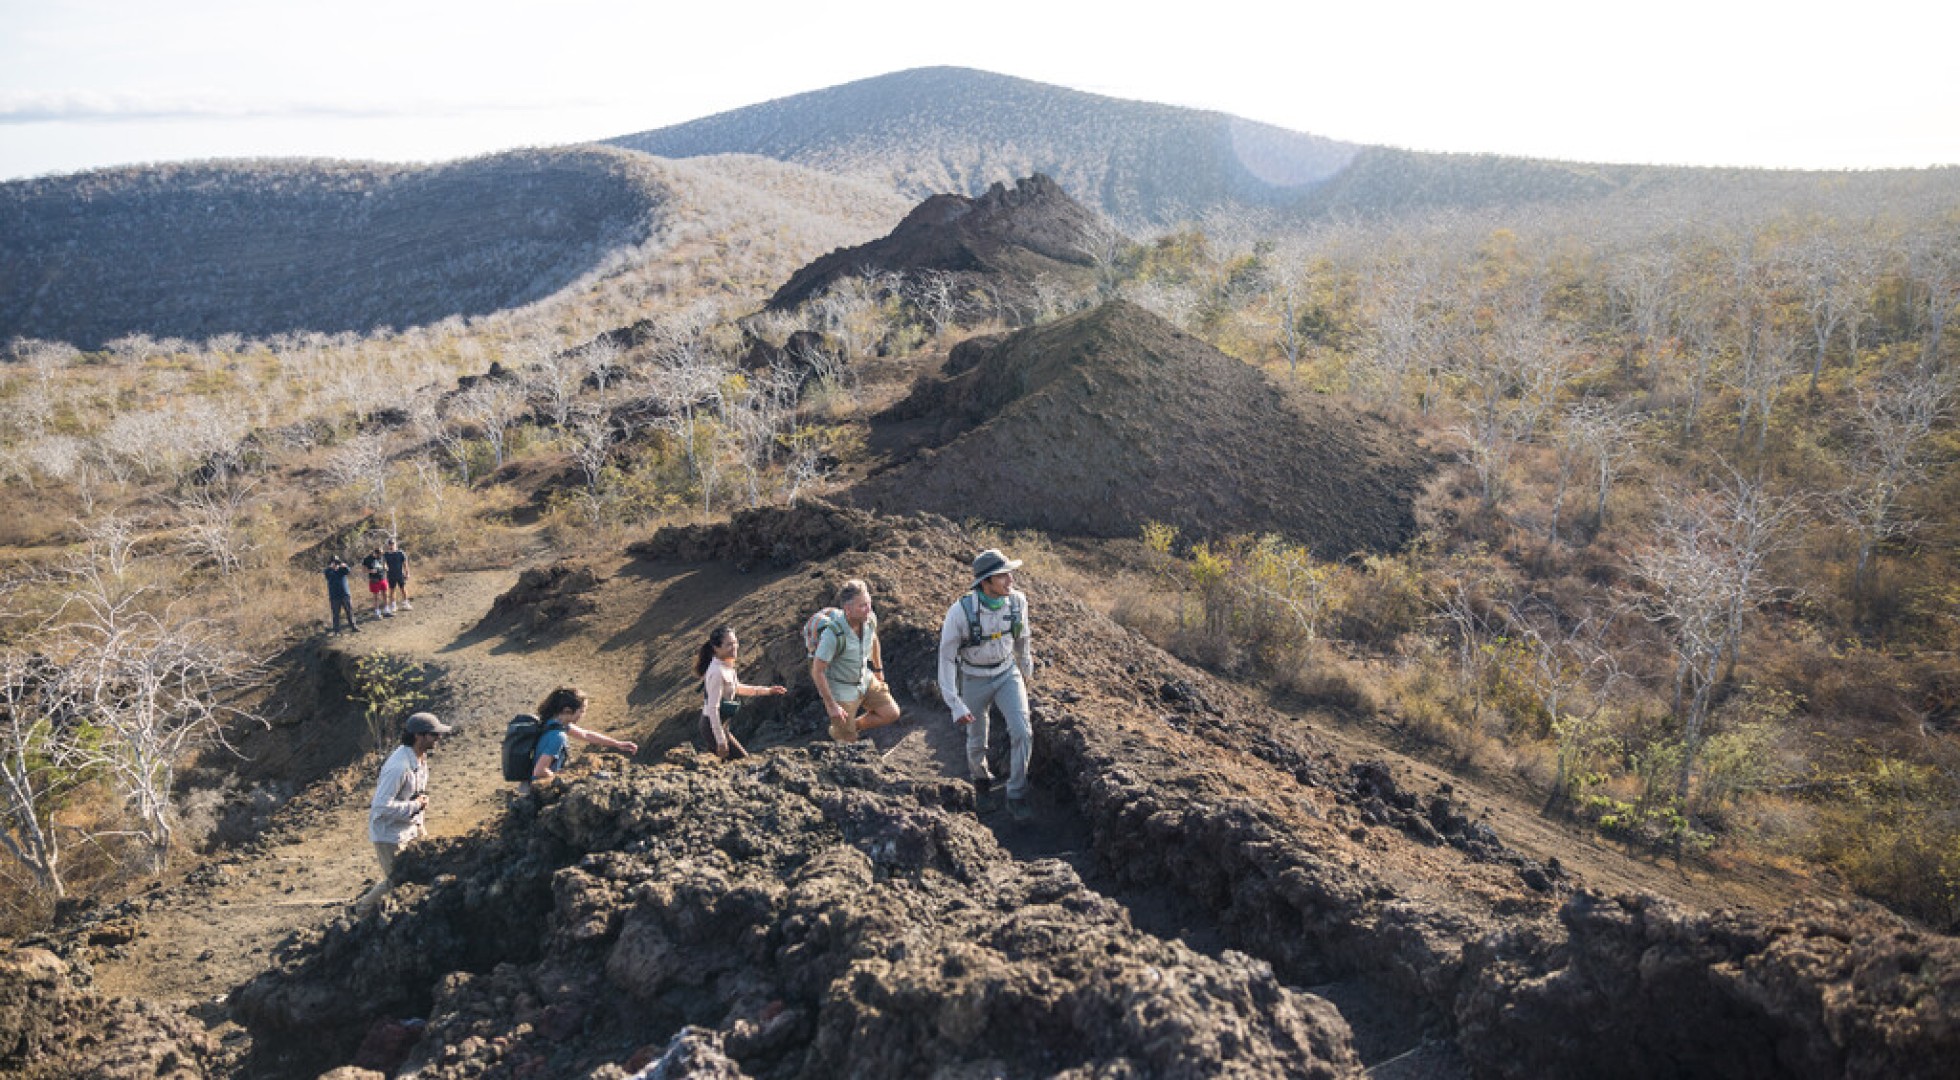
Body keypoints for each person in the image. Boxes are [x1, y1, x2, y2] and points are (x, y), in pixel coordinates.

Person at [937, 549, 1035, 821]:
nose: (1010, 580)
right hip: (972, 678)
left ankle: (1016, 795)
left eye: (1009, 573)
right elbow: (946, 658)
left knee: (1023, 731)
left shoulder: (1017, 602)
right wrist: (954, 703)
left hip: (1007, 673)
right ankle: (981, 784)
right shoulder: (960, 612)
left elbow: (1022, 637)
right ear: (985, 582)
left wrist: (1025, 665)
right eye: (1002, 576)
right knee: (977, 737)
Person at [358, 711, 450, 912]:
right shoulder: (399, 767)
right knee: (397, 880)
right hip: (389, 834)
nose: (439, 738)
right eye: (434, 734)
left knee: (418, 871)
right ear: (418, 736)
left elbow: (416, 795)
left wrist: (420, 826)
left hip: (409, 828)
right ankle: (362, 909)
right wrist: (415, 806)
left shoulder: (420, 759)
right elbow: (381, 806)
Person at [810, 579, 900, 742]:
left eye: (869, 603)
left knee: (891, 713)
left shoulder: (869, 619)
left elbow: (873, 639)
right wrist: (831, 706)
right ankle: (842, 732)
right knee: (849, 741)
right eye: (863, 606)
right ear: (848, 609)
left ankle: (851, 726)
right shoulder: (832, 635)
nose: (869, 609)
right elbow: (817, 671)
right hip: (841, 687)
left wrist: (878, 669)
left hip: (864, 679)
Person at [695, 626, 786, 760]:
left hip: (720, 725)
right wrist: (721, 741)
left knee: (732, 763)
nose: (735, 647)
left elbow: (737, 688)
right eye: (729, 644)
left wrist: (768, 691)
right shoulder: (717, 672)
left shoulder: (727, 665)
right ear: (716, 648)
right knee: (742, 760)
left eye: (735, 642)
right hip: (712, 726)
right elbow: (714, 708)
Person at [527, 686, 639, 789]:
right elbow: (540, 771)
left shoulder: (551, 722)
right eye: (582, 711)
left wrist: (617, 744)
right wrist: (563, 780)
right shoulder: (558, 736)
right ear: (567, 710)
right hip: (539, 788)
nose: (583, 715)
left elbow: (586, 735)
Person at [324, 555, 359, 633]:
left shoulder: (342, 569)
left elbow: (348, 571)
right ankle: (336, 630)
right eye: (334, 562)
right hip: (334, 596)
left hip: (345, 594)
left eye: (337, 562)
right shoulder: (328, 571)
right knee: (336, 614)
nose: (336, 564)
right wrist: (332, 568)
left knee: (349, 611)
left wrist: (344, 565)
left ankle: (353, 626)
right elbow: (329, 576)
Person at [383, 538, 411, 614]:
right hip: (391, 575)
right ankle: (394, 605)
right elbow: (384, 564)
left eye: (392, 544)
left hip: (400, 574)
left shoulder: (400, 553)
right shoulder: (386, 555)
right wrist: (385, 567)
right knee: (392, 590)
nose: (391, 546)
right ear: (388, 545)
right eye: (390, 544)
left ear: (395, 544)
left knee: (403, 589)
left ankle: (406, 603)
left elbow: (405, 564)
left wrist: (407, 573)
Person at [362, 547, 389, 618]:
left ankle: (386, 610)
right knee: (376, 596)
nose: (380, 556)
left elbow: (385, 565)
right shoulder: (367, 559)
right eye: (379, 554)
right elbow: (363, 570)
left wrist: (386, 567)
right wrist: (370, 571)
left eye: (381, 554)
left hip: (382, 578)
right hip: (374, 580)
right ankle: (377, 611)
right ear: (375, 553)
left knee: (385, 594)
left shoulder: (382, 557)